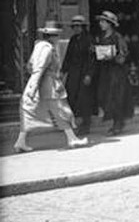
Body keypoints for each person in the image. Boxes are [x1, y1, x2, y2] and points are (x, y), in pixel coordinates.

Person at [13, 20, 89, 152]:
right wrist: (34, 85)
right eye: (57, 35)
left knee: (31, 111)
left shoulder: (38, 47)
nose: (58, 38)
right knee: (61, 110)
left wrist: (33, 84)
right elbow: (40, 68)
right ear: (53, 36)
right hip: (49, 85)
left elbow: (30, 66)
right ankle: (72, 139)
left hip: (39, 83)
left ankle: (21, 141)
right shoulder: (47, 49)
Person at [92, 10, 133, 136]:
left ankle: (117, 123)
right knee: (103, 95)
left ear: (110, 24)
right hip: (105, 71)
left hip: (116, 72)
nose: (101, 24)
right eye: (100, 21)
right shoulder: (100, 37)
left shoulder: (117, 37)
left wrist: (113, 56)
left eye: (103, 22)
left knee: (115, 97)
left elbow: (124, 54)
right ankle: (116, 121)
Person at [61, 14, 96, 136]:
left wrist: (89, 75)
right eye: (74, 26)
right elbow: (68, 57)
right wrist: (63, 71)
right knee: (72, 97)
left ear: (83, 27)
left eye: (78, 26)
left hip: (84, 72)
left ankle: (86, 125)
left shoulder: (89, 40)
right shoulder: (73, 40)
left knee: (84, 99)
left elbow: (92, 59)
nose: (76, 28)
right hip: (74, 73)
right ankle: (76, 122)